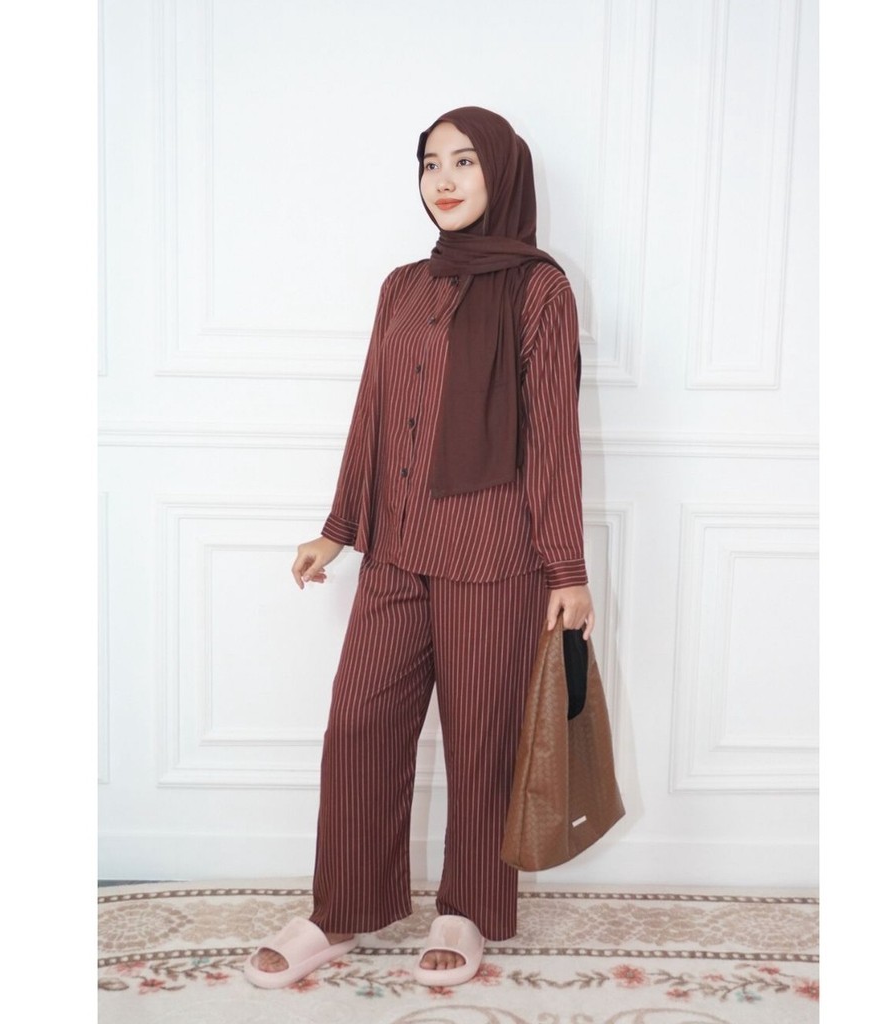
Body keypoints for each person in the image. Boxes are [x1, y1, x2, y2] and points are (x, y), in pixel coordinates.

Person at [245, 105, 594, 990]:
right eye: (431, 163)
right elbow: (372, 409)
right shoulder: (402, 286)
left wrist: (566, 570)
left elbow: (552, 437)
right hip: (396, 550)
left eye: (465, 162)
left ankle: (466, 908)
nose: (444, 179)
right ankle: (342, 908)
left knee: (482, 739)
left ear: (502, 174)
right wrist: (338, 528)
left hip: (494, 554)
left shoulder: (540, 290)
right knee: (360, 722)